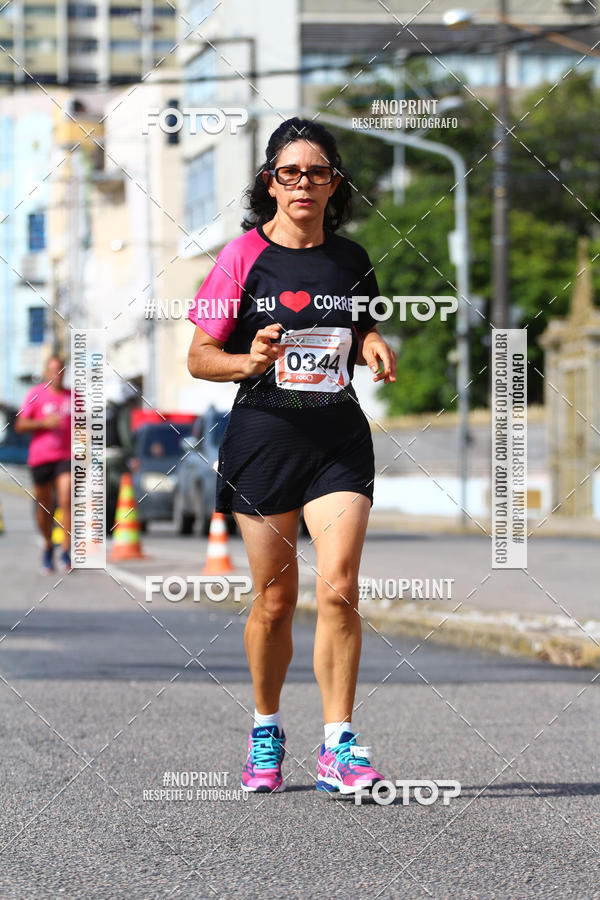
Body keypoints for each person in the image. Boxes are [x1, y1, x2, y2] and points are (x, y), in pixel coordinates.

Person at [187, 117, 397, 797]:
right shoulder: (240, 258)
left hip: (337, 436)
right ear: (270, 182)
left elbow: (359, 321)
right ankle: (266, 727)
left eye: (317, 171)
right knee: (276, 599)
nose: (303, 183)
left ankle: (339, 743)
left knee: (339, 582)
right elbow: (198, 358)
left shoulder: (352, 258)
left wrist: (370, 343)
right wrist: (249, 359)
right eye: (289, 172)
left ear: (335, 182)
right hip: (265, 438)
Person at [15, 355, 72, 574]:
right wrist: (42, 423)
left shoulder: (73, 397)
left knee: (66, 498)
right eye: (52, 370)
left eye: (60, 370)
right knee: (44, 507)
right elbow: (20, 424)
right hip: (40, 458)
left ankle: (66, 549)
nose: (56, 374)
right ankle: (48, 545)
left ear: (64, 372)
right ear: (47, 372)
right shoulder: (35, 394)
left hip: (66, 457)